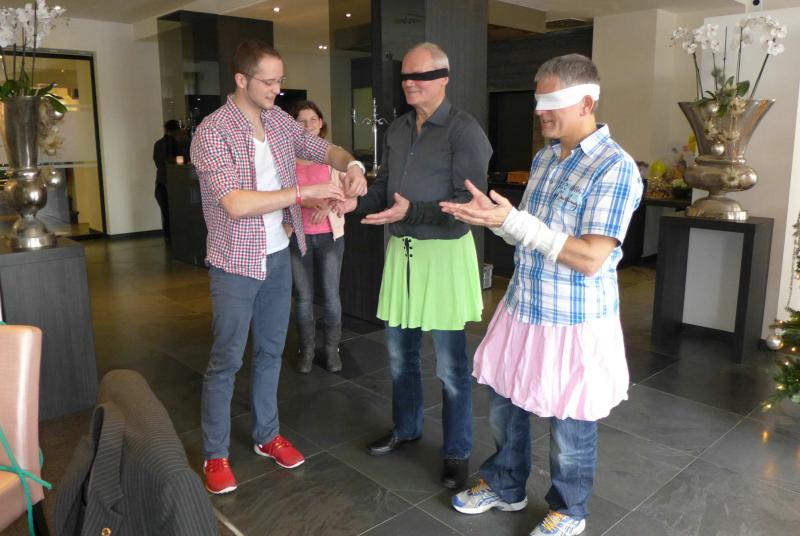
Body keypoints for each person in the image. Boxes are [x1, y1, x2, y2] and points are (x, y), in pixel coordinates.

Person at [443, 54, 642, 536]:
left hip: (574, 318)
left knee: (570, 419)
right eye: (539, 101)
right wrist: (496, 220)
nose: (540, 112)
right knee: (505, 400)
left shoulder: (615, 169)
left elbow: (591, 257)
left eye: (552, 102)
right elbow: (532, 233)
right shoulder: (545, 158)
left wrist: (514, 222)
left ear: (586, 102)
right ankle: (505, 485)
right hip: (524, 305)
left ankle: (569, 509)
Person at [190, 39, 367, 495]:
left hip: (277, 254)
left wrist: (353, 166)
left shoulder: (280, 122)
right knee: (226, 360)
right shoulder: (213, 132)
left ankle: (267, 435)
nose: (276, 89)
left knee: (270, 352)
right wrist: (302, 195)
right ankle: (215, 453)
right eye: (268, 81)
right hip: (235, 261)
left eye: (280, 81)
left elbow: (323, 149)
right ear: (241, 79)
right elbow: (234, 203)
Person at [341, 42, 492, 490]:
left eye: (421, 76)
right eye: (405, 76)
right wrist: (353, 202)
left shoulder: (465, 131)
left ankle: (456, 451)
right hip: (403, 253)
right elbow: (386, 185)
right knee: (399, 356)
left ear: (443, 79)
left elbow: (468, 205)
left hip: (444, 255)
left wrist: (411, 211)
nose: (410, 83)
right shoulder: (399, 128)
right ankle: (406, 428)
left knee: (450, 366)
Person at [288, 101, 346, 373]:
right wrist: (306, 201)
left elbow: (348, 192)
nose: (308, 125)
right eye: (301, 120)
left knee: (331, 295)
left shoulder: (332, 154)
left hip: (330, 237)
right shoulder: (285, 158)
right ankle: (307, 351)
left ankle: (332, 350)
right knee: (303, 297)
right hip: (296, 236)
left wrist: (330, 204)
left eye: (313, 119)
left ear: (321, 123)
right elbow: (278, 196)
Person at [152, 119, 188, 243]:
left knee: (167, 213)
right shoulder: (177, 144)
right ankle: (177, 237)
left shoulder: (158, 144)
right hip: (175, 182)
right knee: (177, 212)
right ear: (176, 130)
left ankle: (169, 237)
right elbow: (181, 161)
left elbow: (158, 162)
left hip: (161, 182)